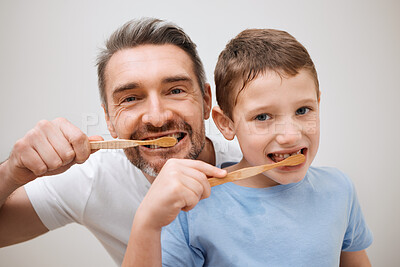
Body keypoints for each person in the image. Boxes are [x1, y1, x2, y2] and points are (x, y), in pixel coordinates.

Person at [0, 18, 242, 265]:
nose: (157, 118)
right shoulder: (94, 179)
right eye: (130, 98)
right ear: (109, 119)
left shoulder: (256, 166)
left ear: (205, 101)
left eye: (176, 90)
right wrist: (11, 173)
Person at [123, 29, 373, 266]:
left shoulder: (340, 190)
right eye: (263, 117)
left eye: (303, 110)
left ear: (318, 103)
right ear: (226, 124)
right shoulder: (192, 207)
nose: (289, 135)